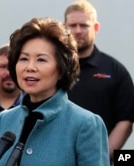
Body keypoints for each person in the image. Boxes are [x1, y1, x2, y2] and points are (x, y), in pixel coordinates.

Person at [0, 17, 110, 165]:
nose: (30, 67)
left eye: (41, 60)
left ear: (62, 69)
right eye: (23, 59)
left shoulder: (86, 125)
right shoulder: (4, 120)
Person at [64, 0, 134, 161]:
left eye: (84, 25)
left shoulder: (115, 71)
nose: (78, 30)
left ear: (95, 28)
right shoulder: (53, 68)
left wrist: (102, 155)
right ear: (64, 27)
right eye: (73, 25)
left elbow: (126, 120)